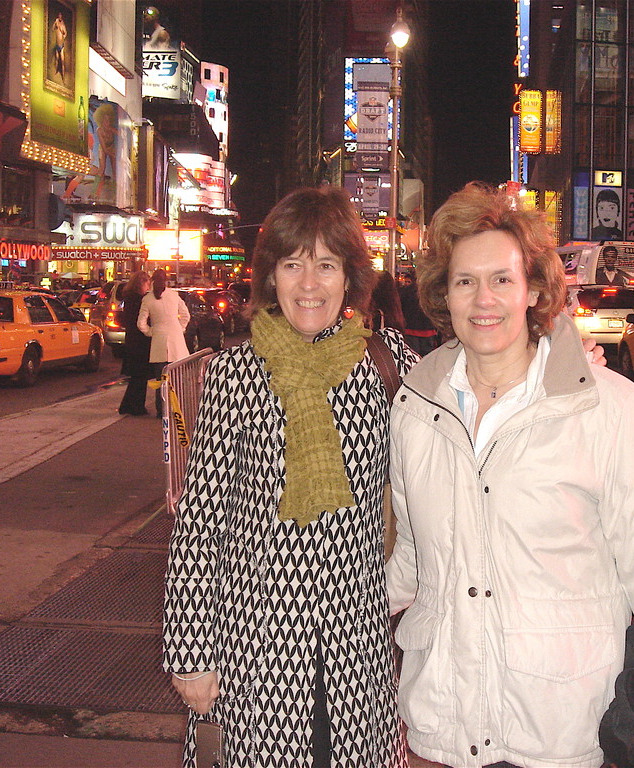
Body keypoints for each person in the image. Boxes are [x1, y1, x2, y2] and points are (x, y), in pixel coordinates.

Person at [385, 182, 634, 767]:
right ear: (444, 294)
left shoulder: (606, 407)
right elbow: (413, 553)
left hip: (562, 722)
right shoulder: (416, 406)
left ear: (534, 288)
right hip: (446, 718)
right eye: (465, 281)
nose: (484, 300)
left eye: (502, 279)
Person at [162, 186, 416, 768]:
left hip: (357, 643)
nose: (309, 283)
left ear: (350, 277)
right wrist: (191, 650)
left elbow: (478, 392)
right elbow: (202, 518)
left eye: (326, 265)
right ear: (270, 276)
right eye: (293, 263)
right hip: (255, 646)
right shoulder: (235, 373)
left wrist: (562, 355)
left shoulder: (386, 362)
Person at [137, 269, 190, 418]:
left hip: (159, 342)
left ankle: (162, 410)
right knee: (176, 379)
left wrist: (151, 331)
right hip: (176, 342)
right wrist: (180, 328)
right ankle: (176, 408)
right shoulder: (174, 295)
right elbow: (186, 315)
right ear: (166, 280)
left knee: (160, 380)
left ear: (153, 280)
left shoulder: (148, 299)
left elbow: (141, 323)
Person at [117, 271, 152, 416]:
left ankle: (128, 405)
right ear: (141, 283)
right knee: (141, 375)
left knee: (137, 376)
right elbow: (143, 320)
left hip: (132, 340)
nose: (148, 286)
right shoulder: (140, 300)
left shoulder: (128, 299)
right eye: (147, 283)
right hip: (140, 341)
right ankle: (136, 406)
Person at [397, 270, 440, 356]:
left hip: (410, 329)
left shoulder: (405, 291)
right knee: (428, 358)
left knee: (412, 355)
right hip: (428, 330)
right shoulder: (431, 291)